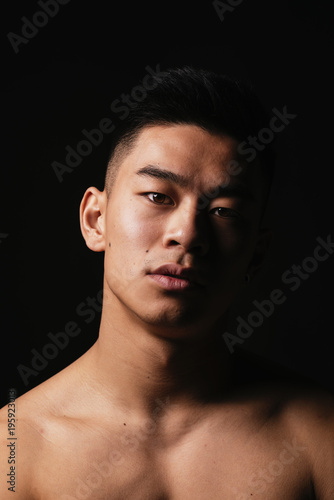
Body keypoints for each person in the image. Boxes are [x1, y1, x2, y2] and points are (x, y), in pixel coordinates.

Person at [1, 66, 333, 499]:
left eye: (224, 211)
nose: (188, 233)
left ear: (256, 253)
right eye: (158, 196)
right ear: (94, 220)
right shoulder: (14, 450)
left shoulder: (317, 439)